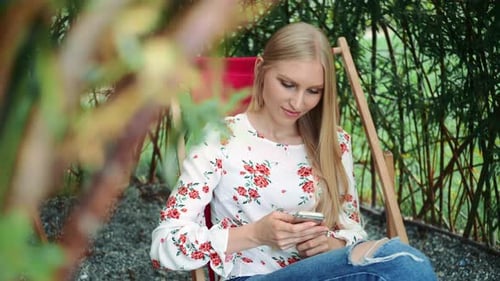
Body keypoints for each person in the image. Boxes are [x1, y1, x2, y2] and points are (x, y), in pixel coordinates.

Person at [150, 22, 437, 281]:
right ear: (261, 69)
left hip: (323, 273)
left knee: (403, 264)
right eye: (287, 85)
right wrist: (254, 234)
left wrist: (333, 244)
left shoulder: (333, 143)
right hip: (251, 276)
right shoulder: (218, 138)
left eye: (313, 91)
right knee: (404, 265)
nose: (298, 103)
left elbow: (352, 230)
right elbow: (165, 244)